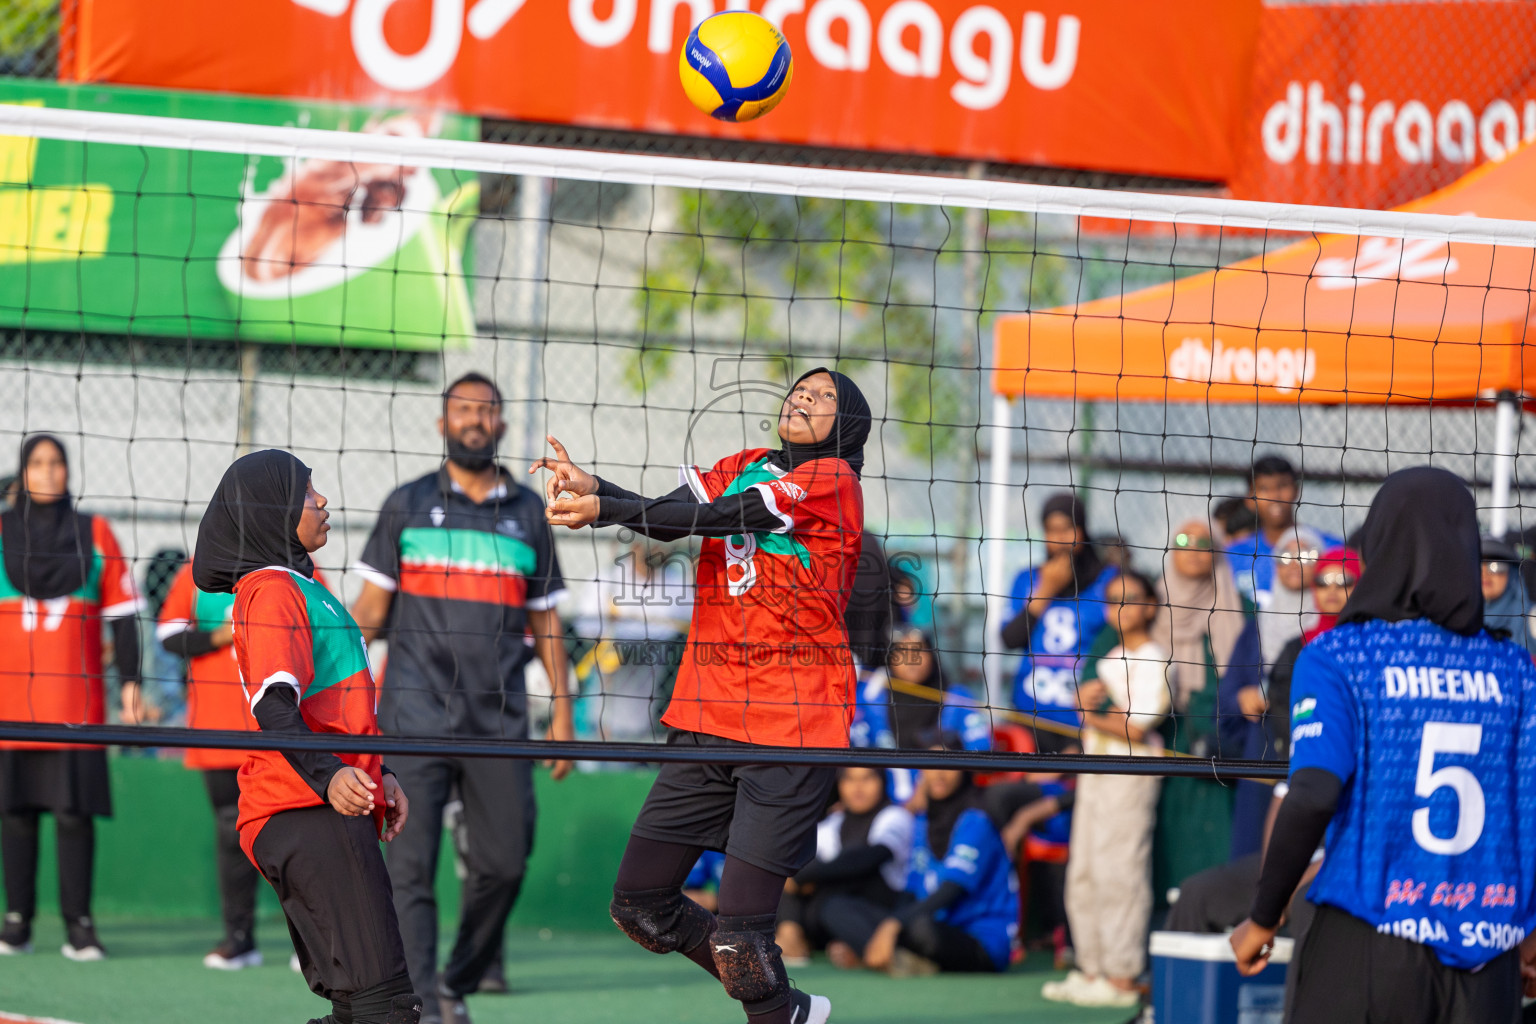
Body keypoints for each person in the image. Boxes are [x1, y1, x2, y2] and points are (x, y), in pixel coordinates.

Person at [534, 366, 869, 1024]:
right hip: (708, 713)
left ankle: (775, 1012)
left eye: (825, 397)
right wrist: (597, 489)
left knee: (740, 938)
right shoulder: (743, 462)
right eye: (802, 387)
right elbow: (672, 519)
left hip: (792, 725)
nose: (805, 396)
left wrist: (606, 508)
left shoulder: (833, 480)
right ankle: (790, 1010)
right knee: (639, 905)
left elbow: (721, 517)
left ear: (847, 425)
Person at [1231, 466, 1536, 1024]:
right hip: (1488, 949)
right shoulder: (1517, 669)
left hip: (1368, 936)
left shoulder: (1341, 656)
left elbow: (1316, 791)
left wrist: (1264, 916)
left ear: (1378, 544)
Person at [350, 372, 572, 1023]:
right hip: (412, 720)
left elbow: (547, 620)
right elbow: (368, 613)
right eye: (463, 410)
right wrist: (324, 685)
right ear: (443, 423)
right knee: (408, 872)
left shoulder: (529, 510)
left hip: (499, 724)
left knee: (504, 865)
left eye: (486, 411)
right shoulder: (407, 503)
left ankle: (456, 978)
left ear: (501, 424)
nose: (474, 420)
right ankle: (421, 1000)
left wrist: (562, 711)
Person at [192, 449, 417, 1024]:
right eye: (307, 493)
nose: (322, 501)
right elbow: (275, 706)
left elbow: (339, 711)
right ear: (273, 510)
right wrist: (332, 774)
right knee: (384, 1008)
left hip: (324, 806)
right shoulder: (271, 590)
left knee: (359, 1007)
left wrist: (378, 772)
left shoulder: (305, 585)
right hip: (304, 808)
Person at [0, 434, 144, 961]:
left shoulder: (94, 532)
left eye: (56, 462)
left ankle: (79, 925)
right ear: (22, 472)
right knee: (14, 811)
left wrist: (132, 680)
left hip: (74, 705)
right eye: (37, 463)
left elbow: (125, 614)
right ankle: (17, 922)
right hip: (9, 704)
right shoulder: (0, 531)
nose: (47, 472)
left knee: (71, 814)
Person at [157, 557, 333, 969]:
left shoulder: (300, 569)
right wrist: (225, 635)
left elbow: (326, 632)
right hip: (217, 730)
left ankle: (310, 942)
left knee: (297, 837)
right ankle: (239, 938)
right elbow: (168, 634)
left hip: (283, 732)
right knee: (230, 833)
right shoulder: (197, 572)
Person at [1043, 570, 1169, 1009]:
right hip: (1095, 767)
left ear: (1150, 605)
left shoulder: (1156, 657)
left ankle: (1121, 974)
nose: (1120, 607)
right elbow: (1098, 719)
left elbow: (1138, 726)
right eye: (1113, 599)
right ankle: (1091, 967)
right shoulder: (1109, 657)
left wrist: (1089, 711)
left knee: (1120, 871)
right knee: (1085, 869)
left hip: (1131, 773)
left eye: (1130, 598)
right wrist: (1088, 709)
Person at [818, 733, 1016, 976]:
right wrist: (891, 923)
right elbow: (912, 889)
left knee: (920, 928)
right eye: (931, 764)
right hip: (932, 922)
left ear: (963, 769)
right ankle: (900, 958)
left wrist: (893, 925)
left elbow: (950, 891)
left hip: (980, 939)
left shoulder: (977, 819)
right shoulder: (922, 821)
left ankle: (888, 956)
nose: (939, 773)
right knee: (835, 907)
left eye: (949, 764)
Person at [1152, 519, 1251, 890]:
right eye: (1183, 540)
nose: (1193, 549)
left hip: (1226, 741)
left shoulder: (1243, 608)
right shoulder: (1147, 603)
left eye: (1203, 541)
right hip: (1166, 739)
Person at [1001, 491, 1117, 751]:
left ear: (1083, 531)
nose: (1061, 539)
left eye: (1068, 529)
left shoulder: (1108, 580)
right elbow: (1009, 638)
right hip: (1029, 714)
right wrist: (1046, 590)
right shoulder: (1027, 579)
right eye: (1052, 530)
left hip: (1087, 718)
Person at [777, 766, 914, 966]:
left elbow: (871, 857)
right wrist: (799, 877)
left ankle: (882, 954)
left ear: (882, 783)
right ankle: (791, 936)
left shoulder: (895, 816)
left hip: (881, 910)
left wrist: (806, 876)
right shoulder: (835, 821)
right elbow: (798, 863)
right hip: (832, 910)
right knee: (787, 878)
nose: (857, 787)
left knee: (832, 904)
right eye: (849, 779)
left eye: (867, 779)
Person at [1226, 455, 1341, 608]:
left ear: (1296, 491)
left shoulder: (1330, 549)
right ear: (1249, 498)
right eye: (1264, 488)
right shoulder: (1233, 555)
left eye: (1282, 486)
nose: (1275, 496)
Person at [1255, 527, 1323, 667]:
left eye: (1304, 556)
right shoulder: (1256, 623)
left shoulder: (1331, 621)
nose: (1293, 564)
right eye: (1284, 556)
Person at [1480, 535, 1536, 659]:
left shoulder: (1531, 619)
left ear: (1513, 574)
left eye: (1495, 566)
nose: (1484, 573)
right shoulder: (1448, 619)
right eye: (1476, 564)